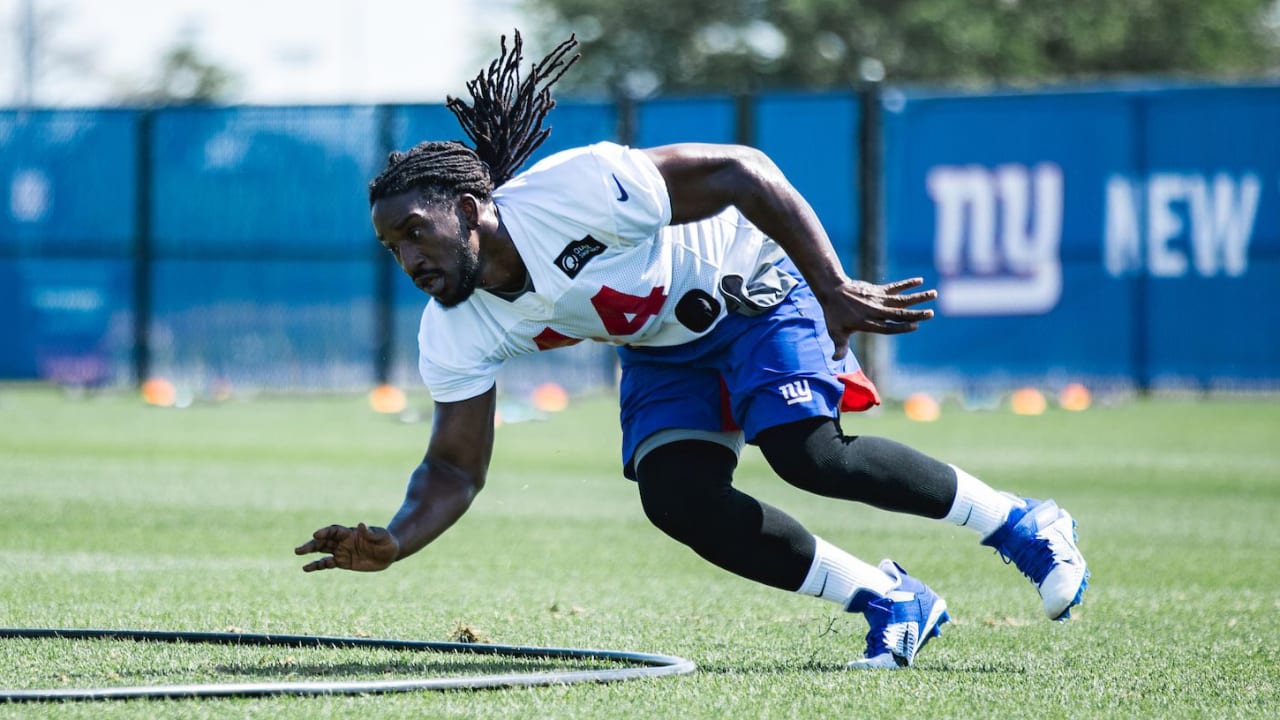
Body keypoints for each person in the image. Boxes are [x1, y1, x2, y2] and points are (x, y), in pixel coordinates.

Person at [294, 32, 1088, 670]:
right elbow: (456, 468)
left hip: (750, 288)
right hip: (660, 346)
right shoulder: (456, 324)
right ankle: (889, 600)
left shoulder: (576, 189)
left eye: (415, 233)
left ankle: (1023, 524)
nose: (408, 259)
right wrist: (399, 537)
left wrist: (834, 285)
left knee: (807, 455)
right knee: (675, 497)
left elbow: (743, 171)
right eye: (392, 248)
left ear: (469, 210)